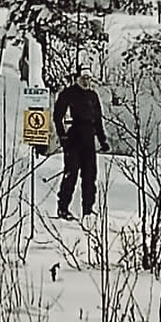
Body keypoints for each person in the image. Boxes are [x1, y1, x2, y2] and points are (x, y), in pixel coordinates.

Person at [52, 70, 110, 220]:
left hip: (89, 139)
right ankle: (63, 208)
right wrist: (63, 136)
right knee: (71, 174)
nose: (86, 81)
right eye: (83, 78)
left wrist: (102, 139)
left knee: (90, 176)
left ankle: (88, 210)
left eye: (88, 78)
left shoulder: (93, 96)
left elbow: (98, 119)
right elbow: (57, 116)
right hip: (73, 138)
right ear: (76, 78)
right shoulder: (68, 94)